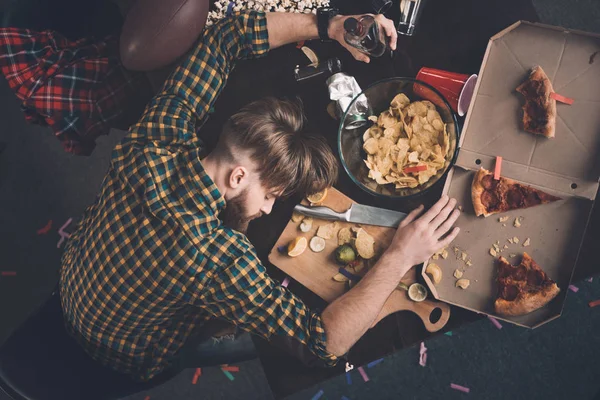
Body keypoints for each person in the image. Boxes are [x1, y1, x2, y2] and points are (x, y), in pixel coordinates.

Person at [59, 9, 461, 382]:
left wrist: (330, 26)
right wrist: (400, 256)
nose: (270, 206)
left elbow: (223, 39)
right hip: (127, 352)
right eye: (270, 194)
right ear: (237, 177)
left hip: (73, 277)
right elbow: (322, 344)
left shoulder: (156, 137)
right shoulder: (215, 261)